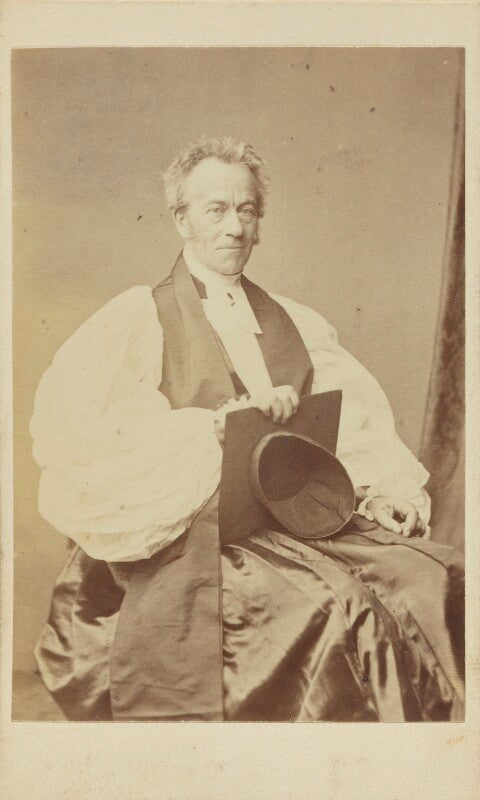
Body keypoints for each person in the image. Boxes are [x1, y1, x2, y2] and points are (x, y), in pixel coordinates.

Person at [31, 137, 464, 722]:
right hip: (195, 530)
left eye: (247, 210)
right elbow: (90, 435)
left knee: (432, 578)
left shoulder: (296, 322)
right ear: (181, 220)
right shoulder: (138, 317)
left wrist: (379, 493)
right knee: (339, 611)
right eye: (215, 210)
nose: (233, 227)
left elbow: (349, 430)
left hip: (299, 520)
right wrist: (214, 429)